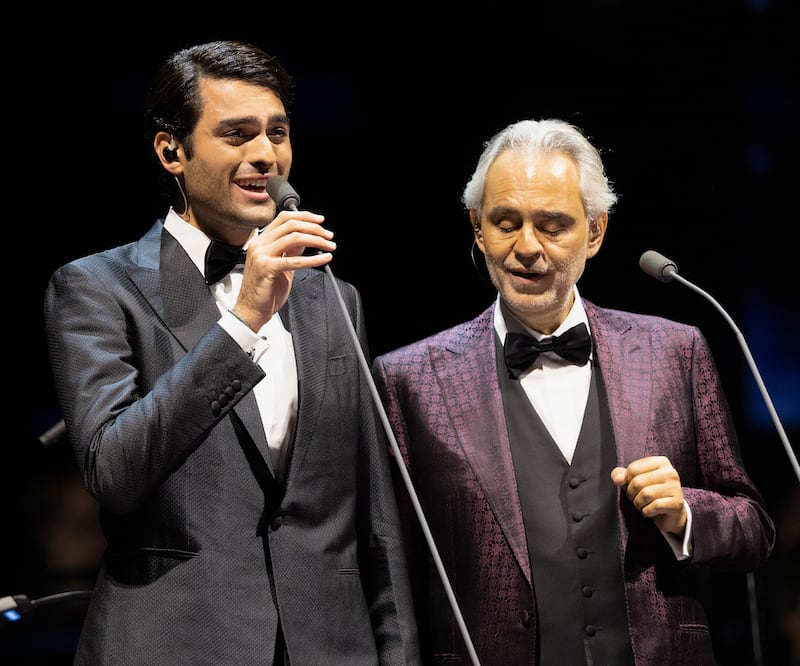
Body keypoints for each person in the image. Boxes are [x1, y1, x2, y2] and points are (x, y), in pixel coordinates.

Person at [43, 39, 420, 665]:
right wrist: (244, 319)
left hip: (330, 646)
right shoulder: (96, 288)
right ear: (171, 150)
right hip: (174, 643)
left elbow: (375, 514)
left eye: (277, 133)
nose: (265, 156)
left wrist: (397, 654)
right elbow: (114, 473)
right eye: (236, 134)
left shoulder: (334, 298)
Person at [371, 118, 776, 665]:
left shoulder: (674, 351)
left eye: (553, 224)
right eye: (505, 223)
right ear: (476, 227)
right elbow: (391, 576)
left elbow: (753, 527)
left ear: (595, 231)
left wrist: (685, 515)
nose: (526, 247)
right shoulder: (409, 379)